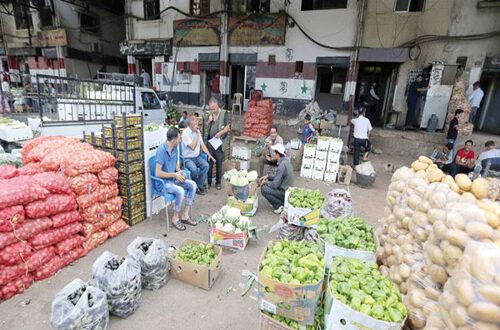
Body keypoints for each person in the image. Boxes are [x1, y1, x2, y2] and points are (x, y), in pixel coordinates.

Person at [155, 127, 197, 231]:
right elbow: (157, 173)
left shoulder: (175, 149)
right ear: (174, 140)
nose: (180, 140)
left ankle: (185, 216)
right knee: (180, 191)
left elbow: (175, 165)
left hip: (173, 180)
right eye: (179, 138)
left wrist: (180, 172)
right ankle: (175, 218)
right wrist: (174, 175)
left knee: (192, 185)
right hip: (163, 184)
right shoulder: (161, 150)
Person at [181, 114, 215, 194]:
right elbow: (192, 147)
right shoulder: (185, 133)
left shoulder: (197, 132)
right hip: (187, 158)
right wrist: (197, 134)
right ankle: (194, 185)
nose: (197, 122)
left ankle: (199, 186)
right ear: (191, 123)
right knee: (193, 169)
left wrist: (209, 155)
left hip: (196, 157)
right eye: (196, 121)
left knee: (206, 165)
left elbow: (202, 145)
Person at [259, 144, 294, 214]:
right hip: (287, 190)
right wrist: (268, 177)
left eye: (274, 152)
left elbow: (275, 184)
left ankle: (279, 205)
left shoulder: (281, 166)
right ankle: (280, 203)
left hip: (284, 192)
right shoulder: (285, 162)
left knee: (264, 189)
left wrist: (265, 182)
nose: (273, 154)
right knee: (268, 182)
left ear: (278, 154)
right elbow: (279, 177)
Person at [206, 96, 230, 190]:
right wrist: (209, 121)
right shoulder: (210, 114)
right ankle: (209, 181)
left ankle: (218, 182)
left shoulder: (224, 113)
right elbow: (206, 125)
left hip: (220, 143)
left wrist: (220, 133)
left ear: (217, 105)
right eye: (211, 108)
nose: (212, 110)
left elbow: (228, 127)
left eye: (214, 108)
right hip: (211, 143)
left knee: (219, 163)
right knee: (209, 162)